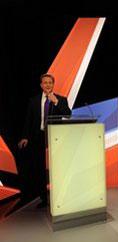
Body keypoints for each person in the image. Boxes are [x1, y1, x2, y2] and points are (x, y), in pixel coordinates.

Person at [18, 73, 71, 208]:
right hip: (38, 137)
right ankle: (44, 198)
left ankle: (59, 196)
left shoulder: (61, 99)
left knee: (57, 167)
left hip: (55, 137)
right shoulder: (34, 101)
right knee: (40, 168)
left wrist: (55, 101)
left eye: (50, 82)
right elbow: (28, 120)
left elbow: (68, 114)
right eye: (45, 83)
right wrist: (25, 136)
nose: (48, 85)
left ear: (53, 84)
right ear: (41, 85)